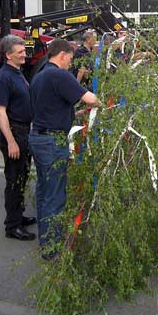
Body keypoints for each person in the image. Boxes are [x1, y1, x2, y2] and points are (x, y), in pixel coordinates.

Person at [28, 38, 102, 260]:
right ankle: (52, 250)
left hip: (38, 137)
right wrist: (103, 102)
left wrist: (74, 114)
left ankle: (45, 241)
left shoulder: (40, 76)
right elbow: (90, 98)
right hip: (52, 143)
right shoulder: (59, 74)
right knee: (54, 196)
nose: (71, 62)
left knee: (44, 192)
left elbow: (50, 106)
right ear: (62, 55)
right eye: (70, 58)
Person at [0, 35, 36, 241]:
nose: (24, 54)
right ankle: (12, 227)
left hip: (23, 132)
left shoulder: (17, 73)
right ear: (9, 55)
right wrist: (11, 141)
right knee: (14, 180)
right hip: (14, 133)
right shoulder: (4, 78)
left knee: (22, 178)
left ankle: (18, 216)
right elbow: (0, 112)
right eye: (20, 52)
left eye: (24, 51)